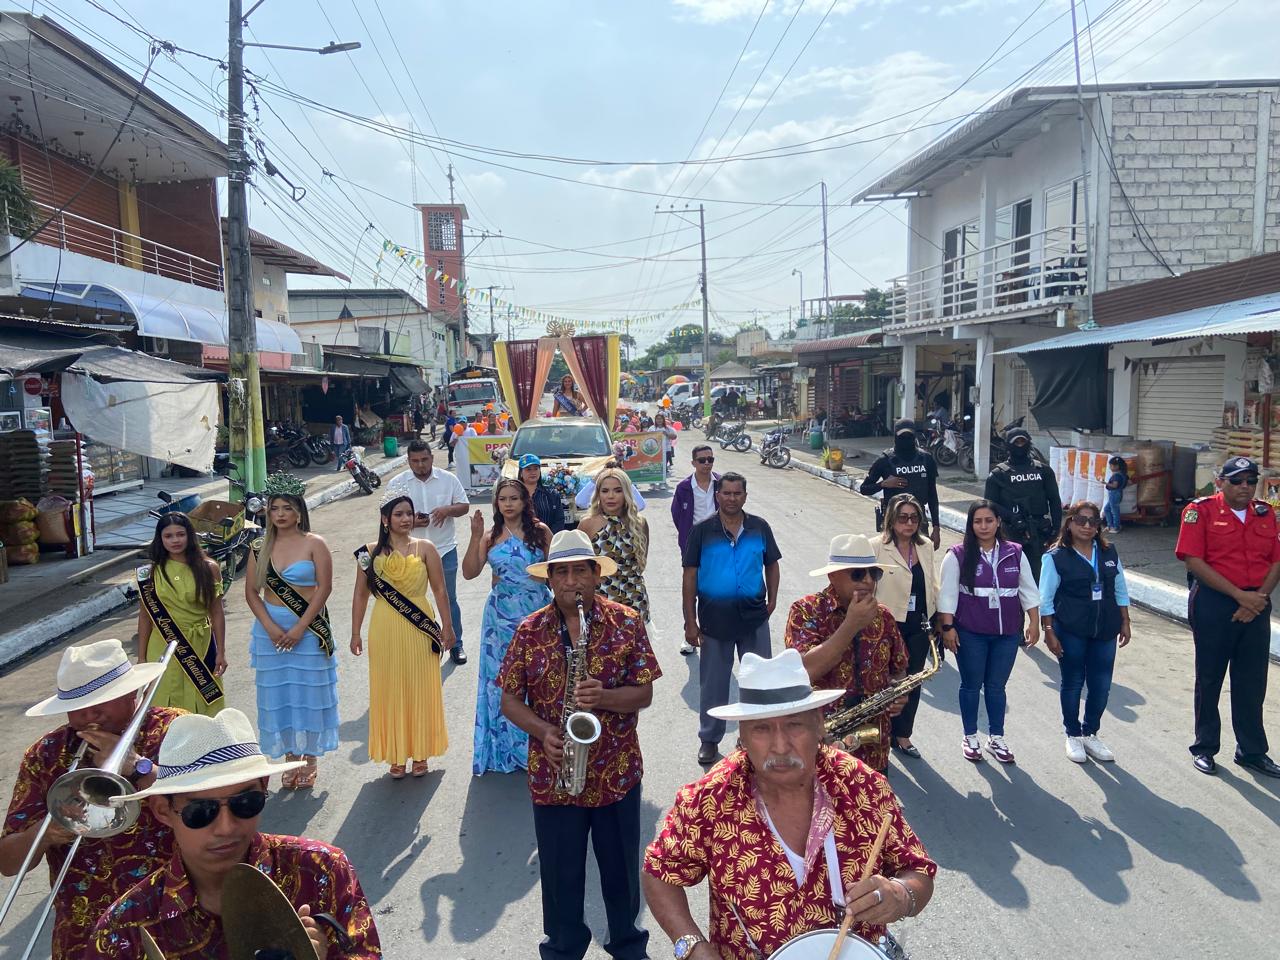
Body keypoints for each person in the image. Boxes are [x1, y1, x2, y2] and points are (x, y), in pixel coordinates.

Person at [642, 649, 936, 960]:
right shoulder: (712, 799)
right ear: (742, 736)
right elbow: (659, 874)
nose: (780, 746)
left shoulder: (862, 786)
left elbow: (918, 870)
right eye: (761, 728)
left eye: (794, 725)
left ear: (819, 725)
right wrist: (693, 947)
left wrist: (901, 895)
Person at [86, 708, 380, 959]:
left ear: (264, 791)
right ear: (163, 811)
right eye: (201, 811)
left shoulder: (322, 871)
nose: (226, 827)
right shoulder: (123, 928)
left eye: (246, 802)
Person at [498, 529, 661, 960]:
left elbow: (644, 693)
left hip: (616, 773)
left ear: (596, 575)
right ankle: (563, 948)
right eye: (562, 573)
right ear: (550, 579)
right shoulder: (529, 630)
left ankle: (627, 945)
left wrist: (604, 697)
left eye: (580, 571)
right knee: (559, 876)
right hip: (554, 776)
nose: (571, 581)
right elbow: (509, 700)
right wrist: (543, 731)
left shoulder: (626, 621)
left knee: (621, 873)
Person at [1, 640, 181, 960]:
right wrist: (44, 833)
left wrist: (138, 767)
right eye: (77, 706)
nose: (89, 715)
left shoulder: (176, 729)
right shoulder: (45, 755)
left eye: (101, 701)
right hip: (85, 933)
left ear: (132, 692)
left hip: (174, 915)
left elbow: (212, 808)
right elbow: (8, 863)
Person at [1175, 456, 1280, 777]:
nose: (1245, 487)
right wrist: (1240, 596)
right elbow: (1193, 561)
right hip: (1215, 602)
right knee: (1210, 678)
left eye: (1251, 481)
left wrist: (1257, 599)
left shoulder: (1265, 513)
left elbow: (1276, 560)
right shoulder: (1200, 511)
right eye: (1237, 481)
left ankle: (1251, 751)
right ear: (1221, 482)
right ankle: (1205, 747)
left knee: (1252, 681)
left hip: (1257, 602)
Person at [350, 494, 456, 779]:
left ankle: (420, 753)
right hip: (384, 626)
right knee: (390, 688)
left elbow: (440, 590)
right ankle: (396, 755)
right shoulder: (367, 553)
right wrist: (355, 632)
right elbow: (360, 595)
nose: (406, 519)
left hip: (419, 626)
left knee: (420, 686)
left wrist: (447, 626)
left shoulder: (426, 548)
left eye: (409, 513)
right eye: (399, 514)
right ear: (385, 519)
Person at [785, 534, 908, 774]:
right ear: (833, 576)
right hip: (822, 744)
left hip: (874, 750)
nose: (868, 580)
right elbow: (803, 672)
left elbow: (899, 668)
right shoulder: (805, 611)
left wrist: (899, 692)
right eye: (858, 574)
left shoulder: (884, 616)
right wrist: (851, 624)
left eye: (874, 573)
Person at [243, 473, 336, 790]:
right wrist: (270, 627)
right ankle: (290, 757)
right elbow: (251, 592)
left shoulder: (315, 543)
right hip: (269, 631)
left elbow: (324, 588)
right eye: (274, 508)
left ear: (299, 512)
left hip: (308, 628)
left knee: (308, 694)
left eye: (287, 508)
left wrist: (299, 627)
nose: (280, 514)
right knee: (279, 696)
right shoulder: (259, 546)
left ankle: (309, 759)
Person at [682, 472, 781, 766]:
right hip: (715, 621)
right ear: (717, 496)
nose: (732, 498)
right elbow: (689, 577)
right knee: (714, 684)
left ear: (745, 496)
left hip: (754, 618)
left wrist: (772, 598)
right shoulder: (702, 531)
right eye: (726, 493)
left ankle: (756, 739)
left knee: (759, 682)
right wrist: (690, 620)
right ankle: (709, 739)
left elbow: (772, 564)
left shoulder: (759, 527)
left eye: (737, 493)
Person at [937, 499, 1041, 764]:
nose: (983, 526)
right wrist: (948, 628)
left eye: (989, 521)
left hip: (1007, 634)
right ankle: (970, 736)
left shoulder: (1015, 552)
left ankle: (996, 738)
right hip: (970, 632)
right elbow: (947, 595)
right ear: (970, 525)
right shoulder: (957, 555)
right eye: (977, 521)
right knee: (971, 685)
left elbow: (1028, 590)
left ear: (998, 522)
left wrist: (1034, 622)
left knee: (996, 687)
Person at [462, 478, 552, 775]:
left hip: (537, 613)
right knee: (502, 682)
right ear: (496, 504)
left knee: (540, 678)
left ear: (525, 501)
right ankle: (506, 749)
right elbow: (470, 573)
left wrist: (539, 580)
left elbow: (557, 571)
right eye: (503, 499)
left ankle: (540, 746)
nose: (509, 503)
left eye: (514, 498)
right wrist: (475, 537)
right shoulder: (490, 536)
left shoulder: (541, 532)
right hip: (499, 619)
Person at [1040, 500, 1132, 764]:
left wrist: (1125, 620)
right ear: (1070, 523)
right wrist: (1049, 631)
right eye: (1081, 520)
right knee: (1073, 682)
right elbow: (1045, 598)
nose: (1087, 526)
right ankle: (1072, 734)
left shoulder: (1109, 552)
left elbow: (1120, 588)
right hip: (1071, 629)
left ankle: (1090, 732)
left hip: (1105, 629)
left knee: (1101, 686)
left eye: (1093, 521)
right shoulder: (1055, 557)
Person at [386, 440, 471, 664]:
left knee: (449, 598)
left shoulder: (448, 479)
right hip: (408, 552)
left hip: (444, 549)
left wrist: (447, 510)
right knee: (410, 600)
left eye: (424, 459)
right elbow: (385, 518)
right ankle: (415, 644)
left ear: (432, 458)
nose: (420, 465)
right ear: (408, 461)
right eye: (415, 461)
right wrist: (411, 522)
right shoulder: (397, 484)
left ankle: (456, 644)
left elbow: (464, 506)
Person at [136, 512, 226, 715]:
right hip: (162, 645)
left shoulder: (209, 568)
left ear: (190, 536)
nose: (175, 540)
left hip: (200, 644)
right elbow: (145, 617)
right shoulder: (149, 573)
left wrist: (221, 651)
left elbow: (217, 612)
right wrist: (141, 658)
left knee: (203, 701)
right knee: (163, 702)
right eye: (168, 536)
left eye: (180, 534)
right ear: (160, 539)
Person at [872, 493, 940, 760]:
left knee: (912, 682)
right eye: (903, 518)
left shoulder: (925, 546)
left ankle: (903, 735)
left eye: (914, 518)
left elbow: (932, 582)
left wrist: (939, 618)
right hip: (885, 627)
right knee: (883, 683)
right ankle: (878, 735)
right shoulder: (876, 546)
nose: (909, 523)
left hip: (918, 625)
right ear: (891, 519)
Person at [984, 426, 1062, 583]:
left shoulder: (1043, 471)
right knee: (1011, 575)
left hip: (1040, 531)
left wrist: (1056, 528)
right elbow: (989, 505)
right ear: (1008, 445)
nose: (1020, 446)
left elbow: (1054, 500)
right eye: (1016, 443)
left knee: (1040, 576)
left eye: (1023, 442)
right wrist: (1012, 518)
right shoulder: (998, 475)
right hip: (1011, 532)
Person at [579, 466, 651, 622]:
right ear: (598, 494)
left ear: (626, 493)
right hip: (599, 601)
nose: (610, 496)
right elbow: (578, 568)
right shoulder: (587, 524)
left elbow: (642, 563)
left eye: (618, 490)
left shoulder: (639, 523)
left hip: (634, 598)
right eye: (605, 491)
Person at [859, 418, 941, 547]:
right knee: (892, 557)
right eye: (902, 436)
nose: (906, 439)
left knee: (921, 557)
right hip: (893, 520)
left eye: (909, 436)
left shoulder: (926, 459)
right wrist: (883, 484)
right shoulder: (885, 460)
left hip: (918, 519)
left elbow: (932, 495)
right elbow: (864, 489)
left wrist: (936, 527)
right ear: (896, 436)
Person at [518, 453, 567, 534]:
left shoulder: (551, 494)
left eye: (536, 469)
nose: (533, 472)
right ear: (521, 473)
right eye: (528, 469)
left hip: (548, 538)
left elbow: (559, 520)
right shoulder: (514, 494)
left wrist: (549, 537)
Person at [1103, 456, 1129, 533]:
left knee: (1114, 511)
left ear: (1117, 466)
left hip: (1114, 494)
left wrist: (1105, 483)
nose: (1110, 467)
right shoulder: (1123, 474)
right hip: (1118, 493)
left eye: (1111, 466)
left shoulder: (1116, 476)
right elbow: (1129, 482)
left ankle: (1116, 527)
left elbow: (1114, 486)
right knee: (1107, 509)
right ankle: (1110, 525)